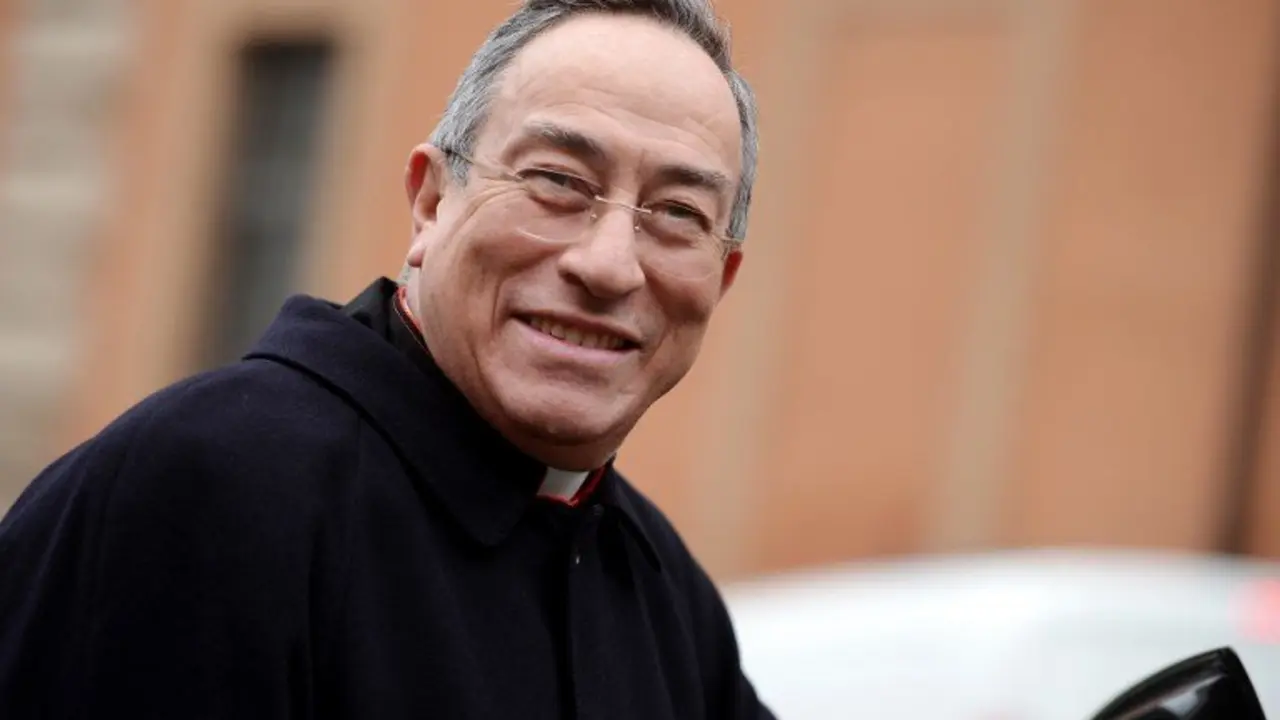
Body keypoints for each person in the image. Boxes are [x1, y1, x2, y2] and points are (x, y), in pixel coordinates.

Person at [0, 0, 772, 718]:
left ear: (724, 279)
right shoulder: (205, 486)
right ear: (432, 202)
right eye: (558, 182)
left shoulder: (665, 594)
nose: (608, 266)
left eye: (678, 214)